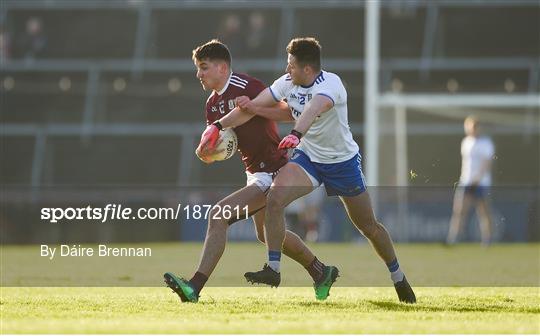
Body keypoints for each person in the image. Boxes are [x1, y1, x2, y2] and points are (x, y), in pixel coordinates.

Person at [203, 37, 416, 303]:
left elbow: (313, 110)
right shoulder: (287, 82)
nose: (286, 69)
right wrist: (219, 126)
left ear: (307, 69)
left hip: (342, 163)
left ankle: (398, 276)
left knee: (368, 227)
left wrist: (295, 133)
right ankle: (274, 269)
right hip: (309, 159)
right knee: (275, 198)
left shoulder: (331, 84)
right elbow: (256, 105)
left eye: (291, 65)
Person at [164, 40, 339, 303]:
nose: (199, 74)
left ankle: (194, 287)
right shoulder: (211, 106)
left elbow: (290, 112)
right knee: (264, 234)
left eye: (204, 67)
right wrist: (210, 153)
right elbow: (229, 144)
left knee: (218, 215)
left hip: (274, 169)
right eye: (198, 68)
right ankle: (320, 271)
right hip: (255, 171)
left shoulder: (246, 86)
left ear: (222, 68)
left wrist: (255, 107)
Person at [447, 116, 495, 246]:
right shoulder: (466, 142)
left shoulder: (486, 143)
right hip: (466, 181)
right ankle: (453, 238)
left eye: (475, 127)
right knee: (459, 210)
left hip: (481, 183)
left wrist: (477, 179)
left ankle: (487, 239)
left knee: (483, 212)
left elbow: (487, 164)